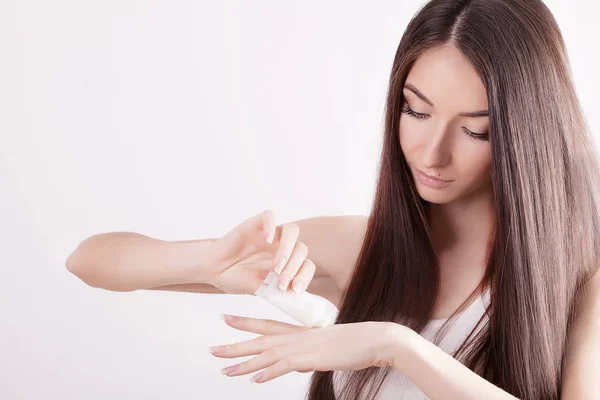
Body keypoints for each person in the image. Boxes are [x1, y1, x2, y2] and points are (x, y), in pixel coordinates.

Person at [66, 0, 600, 399]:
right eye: (416, 111)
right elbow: (90, 260)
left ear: (526, 135)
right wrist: (207, 261)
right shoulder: (361, 248)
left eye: (475, 132)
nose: (431, 153)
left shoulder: (583, 279)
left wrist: (397, 347)